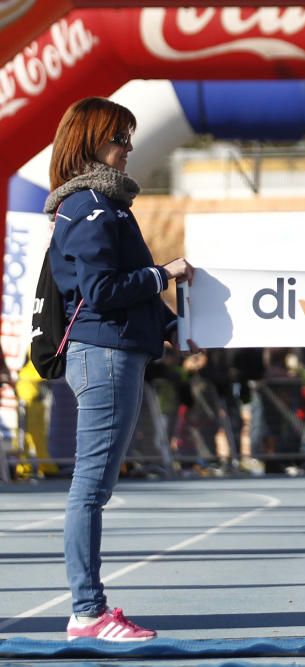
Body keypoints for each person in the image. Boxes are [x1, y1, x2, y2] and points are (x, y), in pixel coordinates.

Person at [44, 97, 196, 642]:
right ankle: (87, 612)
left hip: (115, 351)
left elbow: (123, 290)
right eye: (120, 139)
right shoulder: (88, 206)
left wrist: (176, 329)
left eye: (131, 137)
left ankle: (88, 609)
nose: (129, 149)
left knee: (93, 487)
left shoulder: (105, 205)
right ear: (90, 143)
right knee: (90, 488)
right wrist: (162, 274)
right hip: (104, 354)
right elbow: (102, 292)